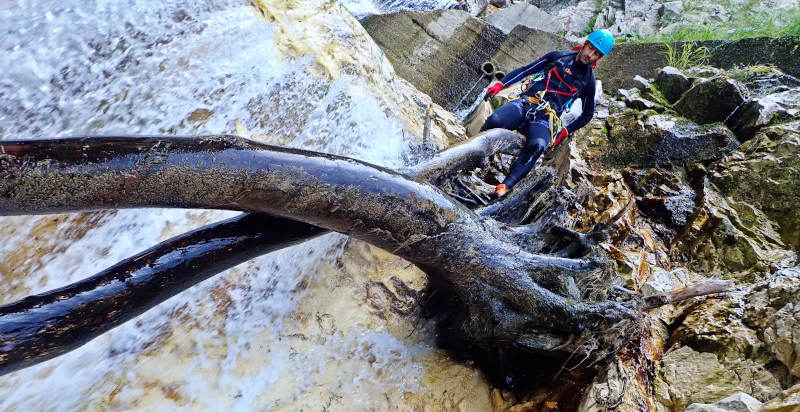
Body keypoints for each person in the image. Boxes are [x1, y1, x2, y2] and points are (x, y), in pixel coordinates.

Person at [481, 29, 614, 197]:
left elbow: (587, 115)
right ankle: (475, 157)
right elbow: (525, 70)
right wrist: (500, 84)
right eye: (591, 48)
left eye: (596, 54)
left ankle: (504, 186)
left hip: (545, 119)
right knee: (495, 120)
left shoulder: (588, 82)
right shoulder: (558, 56)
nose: (590, 55)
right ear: (586, 44)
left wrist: (564, 131)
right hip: (526, 104)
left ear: (599, 58)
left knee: (537, 146)